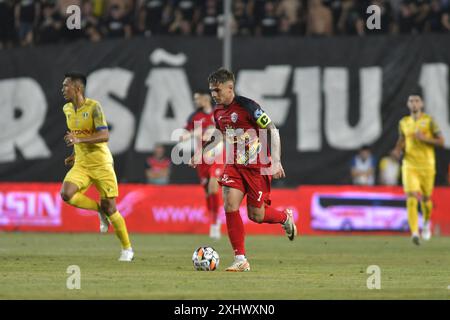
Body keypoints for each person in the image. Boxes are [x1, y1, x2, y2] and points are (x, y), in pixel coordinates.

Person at [190, 68, 297, 272]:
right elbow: (221, 136)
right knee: (230, 204)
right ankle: (240, 259)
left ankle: (284, 218)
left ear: (230, 88)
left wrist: (276, 161)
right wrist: (202, 152)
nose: (214, 95)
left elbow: (272, 130)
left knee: (256, 215)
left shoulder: (249, 107)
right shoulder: (218, 112)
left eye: (217, 90)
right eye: (212, 90)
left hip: (257, 166)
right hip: (235, 165)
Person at [60, 72, 134, 261]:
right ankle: (99, 210)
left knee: (111, 207)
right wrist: (73, 154)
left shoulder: (94, 107)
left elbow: (104, 136)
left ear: (77, 88)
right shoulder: (67, 109)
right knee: (66, 194)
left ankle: (127, 249)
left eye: (66, 86)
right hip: (82, 164)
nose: (63, 89)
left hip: (101, 163)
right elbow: (77, 136)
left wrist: (78, 139)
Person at [393, 93, 444, 245]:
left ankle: (426, 222)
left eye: (416, 101)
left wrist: (425, 139)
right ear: (408, 104)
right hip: (409, 165)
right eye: (411, 101)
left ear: (421, 104)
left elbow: (441, 141)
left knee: (426, 199)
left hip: (427, 166)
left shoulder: (429, 121)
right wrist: (397, 150)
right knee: (411, 197)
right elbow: (402, 140)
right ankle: (414, 232)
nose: (414, 103)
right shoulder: (404, 122)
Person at [181, 92, 224, 240]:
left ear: (206, 99)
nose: (195, 101)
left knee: (214, 185)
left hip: (217, 154)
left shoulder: (218, 112)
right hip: (202, 157)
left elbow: (223, 131)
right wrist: (187, 135)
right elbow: (185, 132)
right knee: (207, 193)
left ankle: (215, 223)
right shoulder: (195, 117)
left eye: (197, 98)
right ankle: (213, 220)